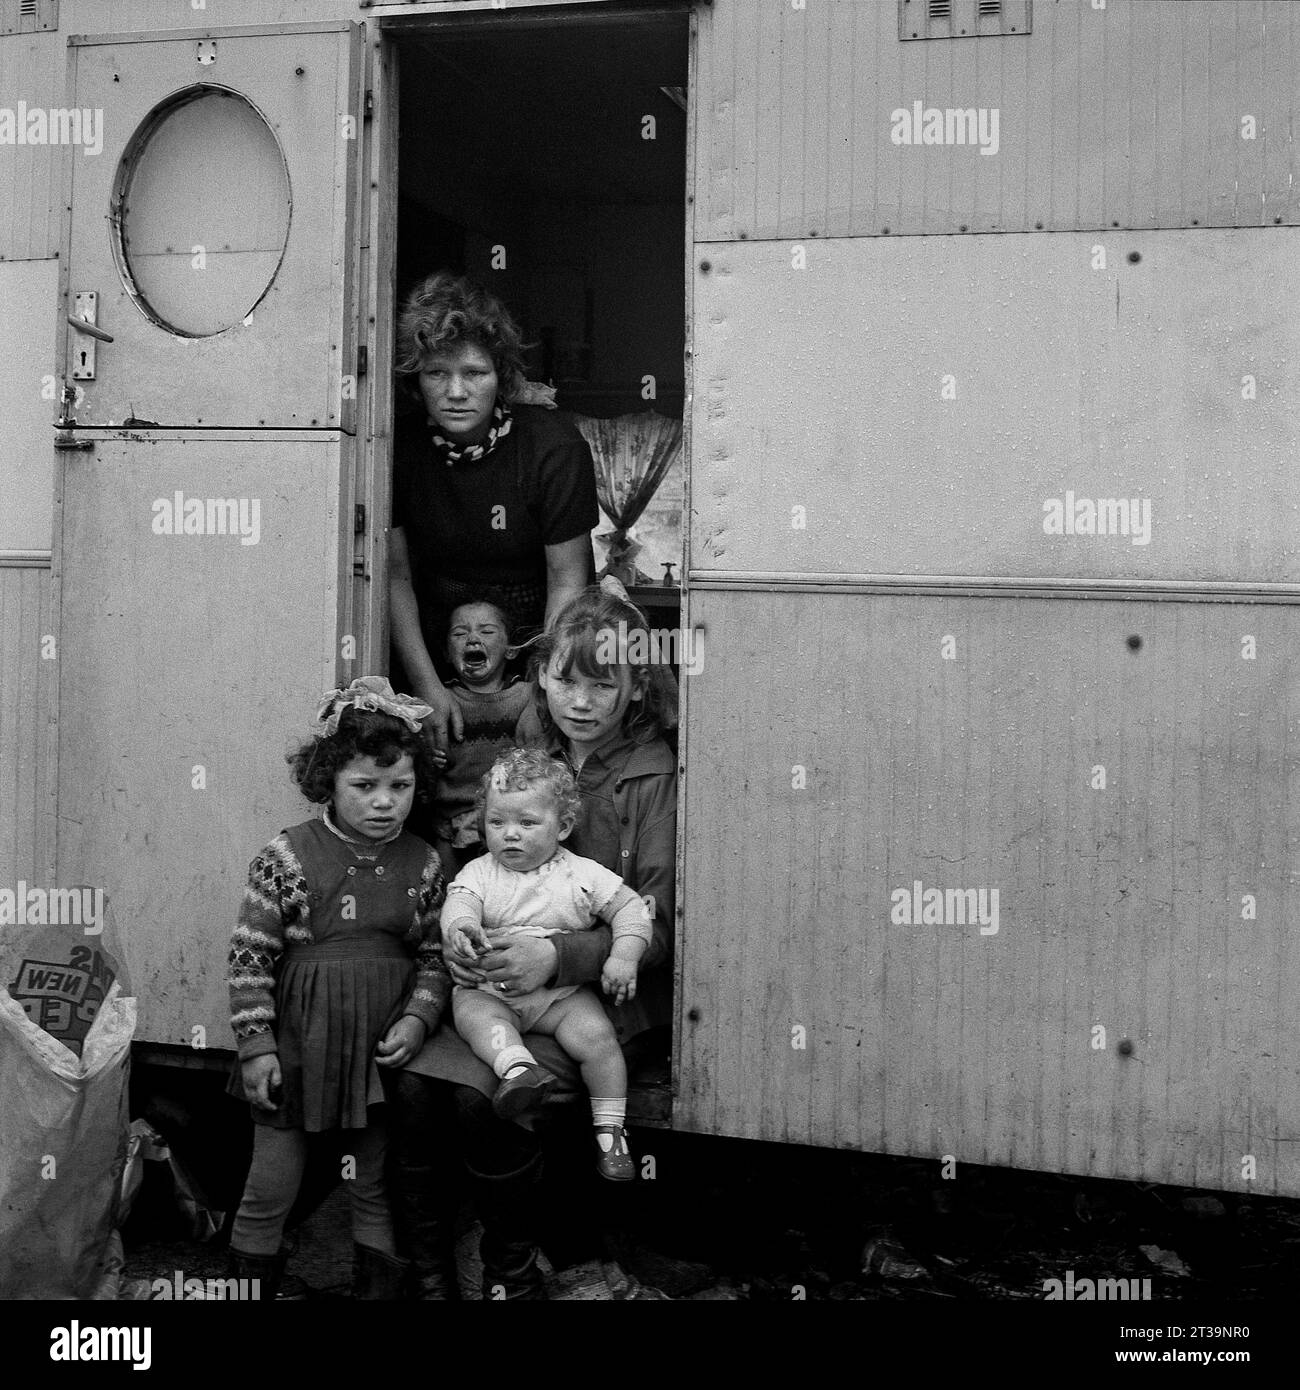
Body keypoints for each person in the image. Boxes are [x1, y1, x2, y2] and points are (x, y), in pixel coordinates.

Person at [386, 584, 677, 1299]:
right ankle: (428, 1277)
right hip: (505, 987)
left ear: (635, 687)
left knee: (483, 1102)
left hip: (608, 996)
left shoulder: (650, 774)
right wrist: (465, 932)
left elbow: (661, 921)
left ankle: (510, 1277)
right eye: (563, 680)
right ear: (539, 679)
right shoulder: (531, 753)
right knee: (415, 1086)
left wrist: (561, 954)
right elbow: (492, 870)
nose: (580, 700)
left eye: (602, 683)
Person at [226, 677, 450, 1300]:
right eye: (365, 786)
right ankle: (251, 1285)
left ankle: (375, 1286)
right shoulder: (286, 857)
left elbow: (434, 958)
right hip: (300, 1042)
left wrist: (419, 1020)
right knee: (273, 1178)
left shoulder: (424, 863)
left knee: (372, 1179)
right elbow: (249, 958)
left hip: (380, 1050)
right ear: (328, 781)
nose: (385, 802)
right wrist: (256, 1047)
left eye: (400, 787)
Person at [389, 271, 599, 753]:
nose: (456, 391)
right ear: (415, 379)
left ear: (500, 377)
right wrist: (427, 686)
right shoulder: (397, 449)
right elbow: (395, 576)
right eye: (437, 373)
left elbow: (567, 579)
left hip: (538, 639)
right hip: (431, 638)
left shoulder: (553, 446)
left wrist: (543, 691)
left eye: (474, 373)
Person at [443, 748, 652, 1181]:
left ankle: (611, 1130)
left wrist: (623, 955)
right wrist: (461, 927)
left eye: (527, 823)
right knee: (476, 1017)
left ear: (564, 826)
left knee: (597, 1038)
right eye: (497, 822)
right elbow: (459, 903)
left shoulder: (581, 874)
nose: (510, 835)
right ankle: (519, 1069)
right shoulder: (481, 872)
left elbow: (631, 909)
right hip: (491, 992)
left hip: (559, 998)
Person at [426, 598, 533, 882]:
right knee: (450, 895)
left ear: (511, 650)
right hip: (451, 823)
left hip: (509, 819)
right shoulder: (440, 702)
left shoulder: (526, 697)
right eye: (460, 633)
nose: (473, 638)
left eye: (486, 631)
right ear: (448, 654)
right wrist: (430, 758)